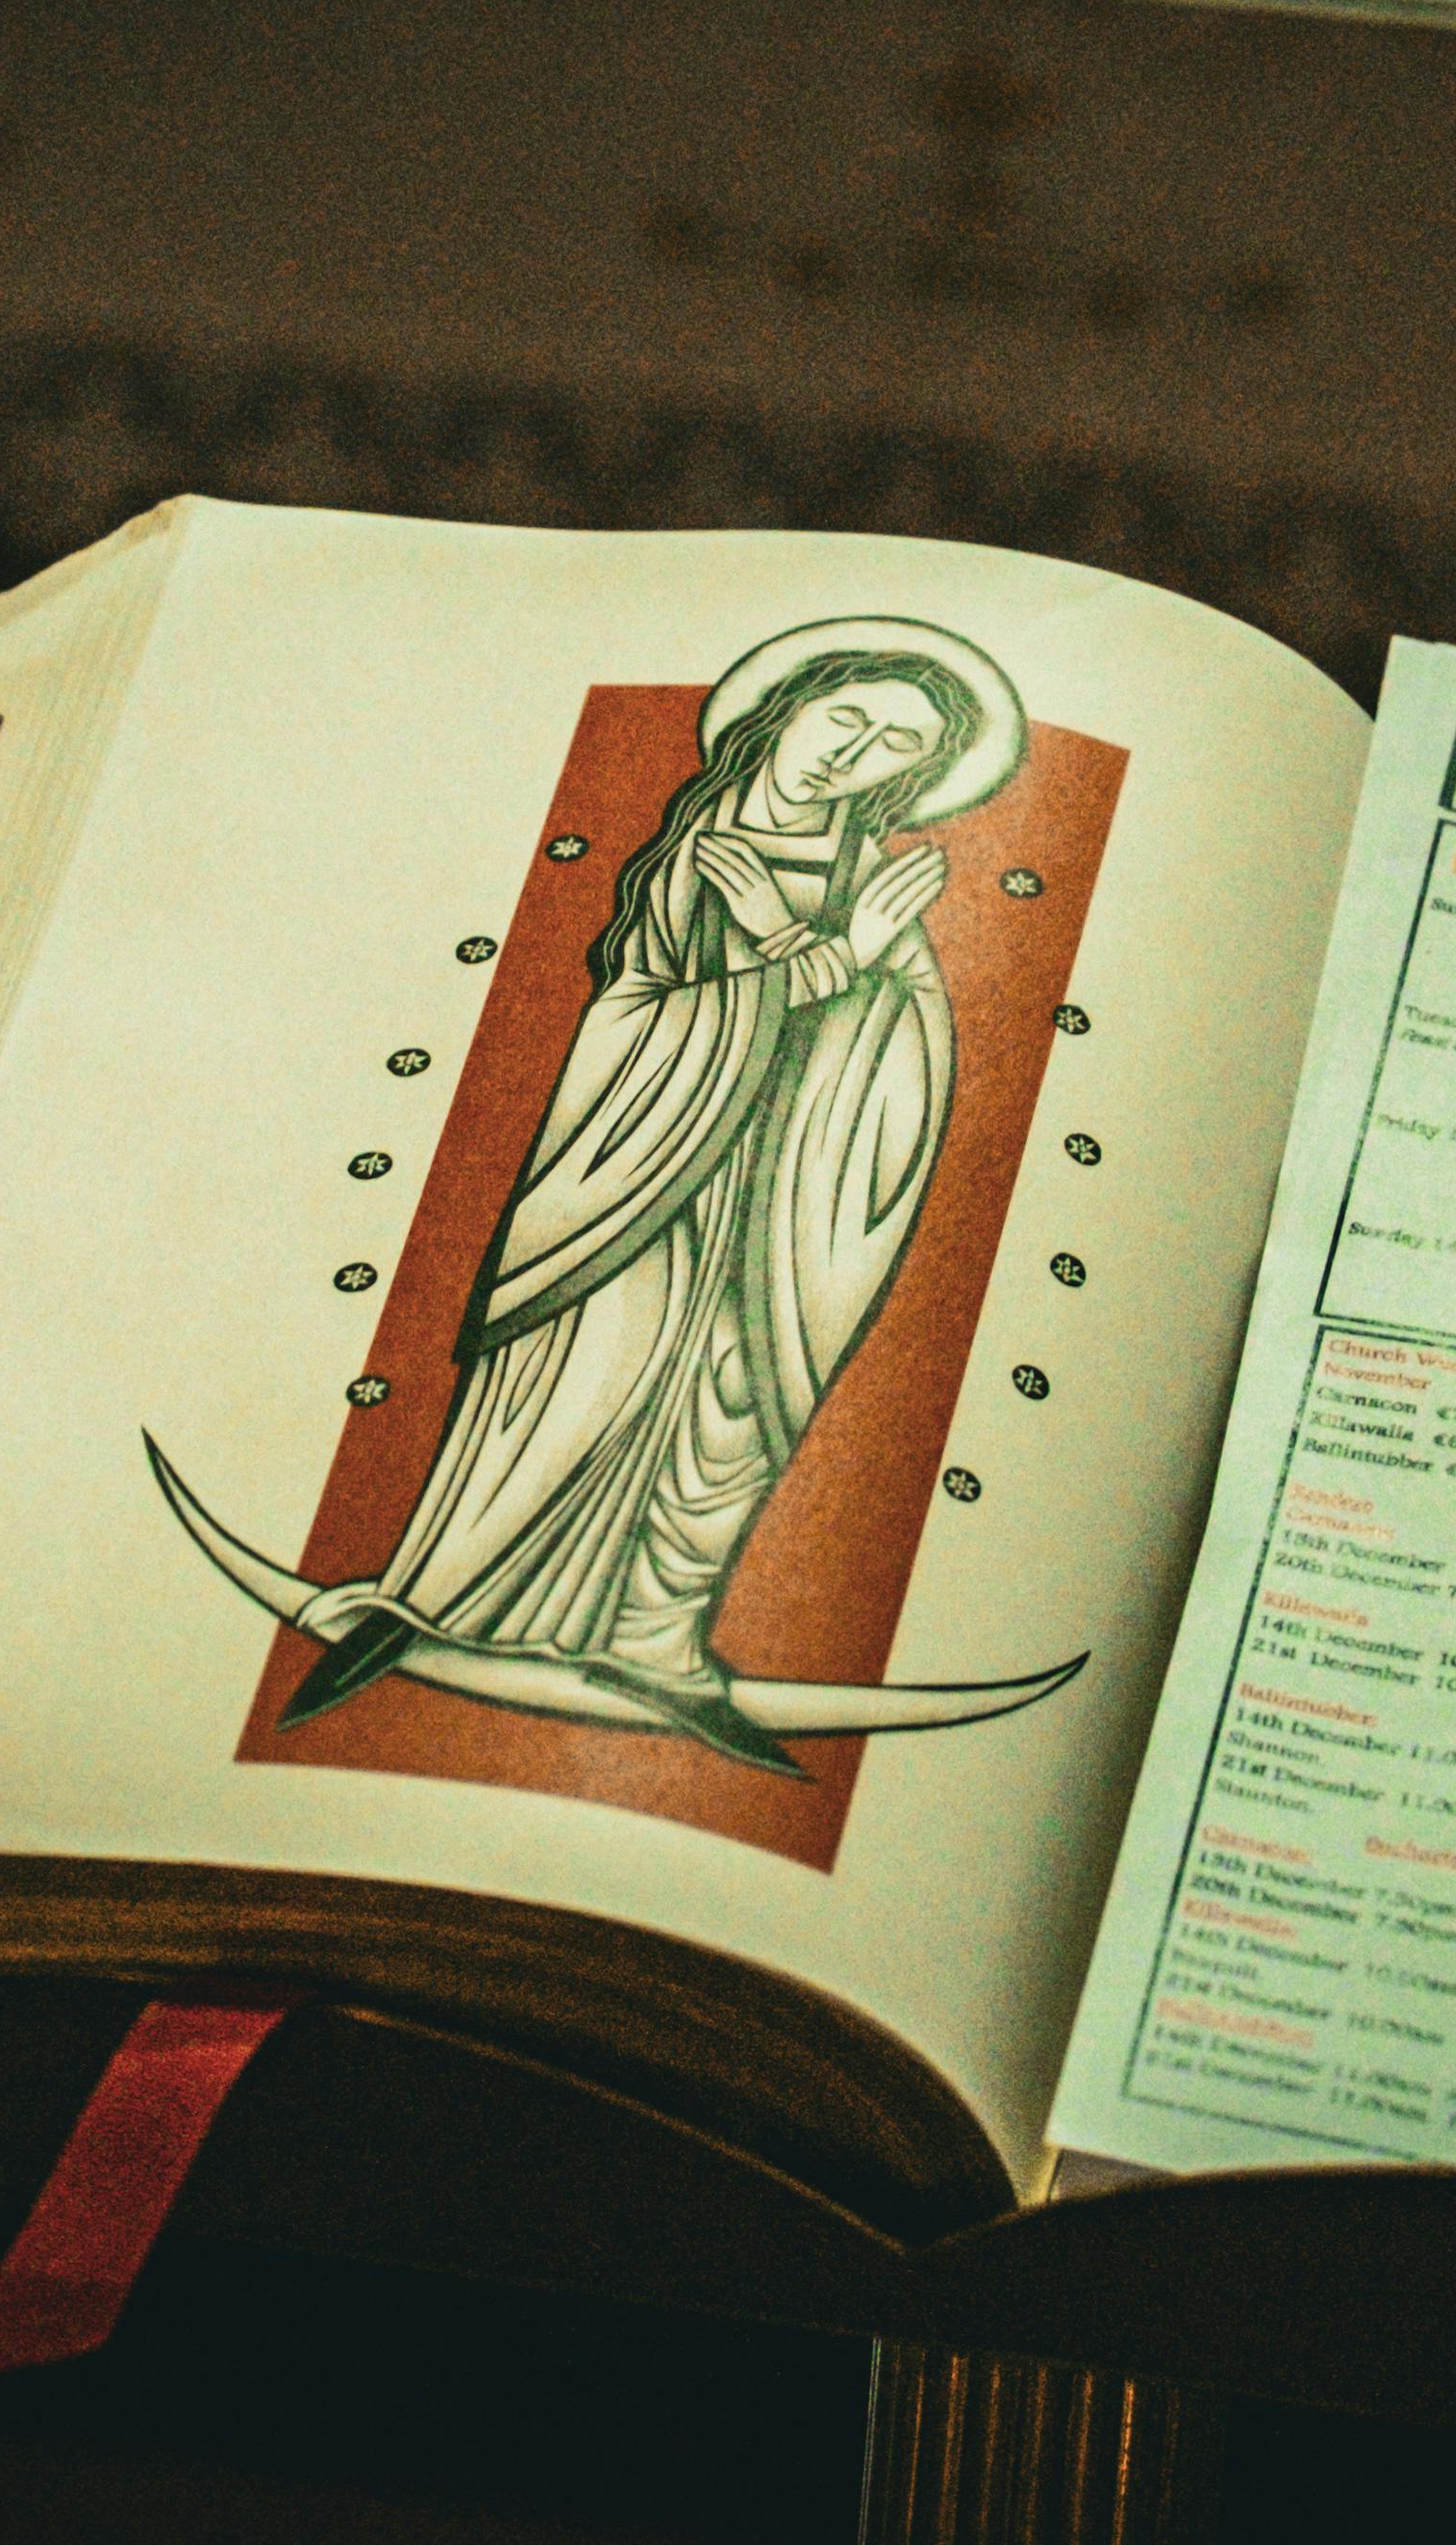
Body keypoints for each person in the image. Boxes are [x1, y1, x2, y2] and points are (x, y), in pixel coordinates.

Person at [281, 623, 1021, 1755]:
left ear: (906, 782)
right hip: (637, 1185)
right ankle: (438, 1595)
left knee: (728, 1405)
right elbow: (644, 1018)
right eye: (847, 716)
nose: (853, 753)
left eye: (890, 748)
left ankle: (654, 1637)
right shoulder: (704, 850)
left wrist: (861, 970)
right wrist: (824, 955)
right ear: (791, 708)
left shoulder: (876, 880)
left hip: (786, 1201)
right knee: (586, 1377)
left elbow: (908, 1046)